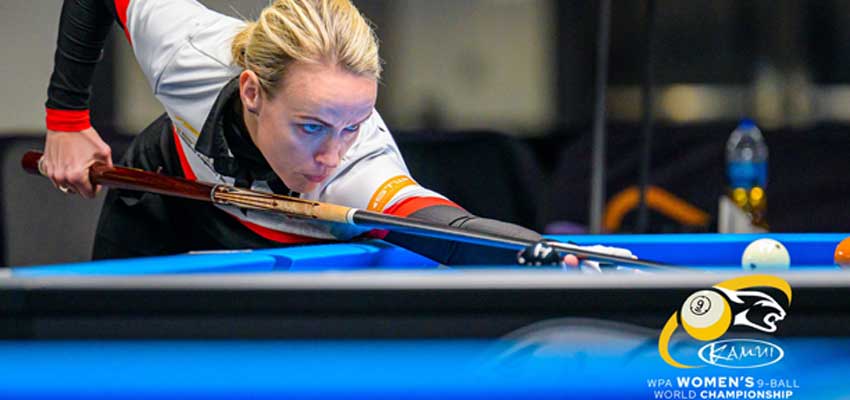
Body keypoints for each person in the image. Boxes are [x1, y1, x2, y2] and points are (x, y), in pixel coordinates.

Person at [42, 0, 632, 266]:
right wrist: (66, 121)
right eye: (311, 126)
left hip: (281, 236)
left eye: (352, 125)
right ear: (252, 92)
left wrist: (544, 254)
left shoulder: (359, 166)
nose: (332, 154)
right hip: (165, 188)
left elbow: (449, 232)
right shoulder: (191, 56)